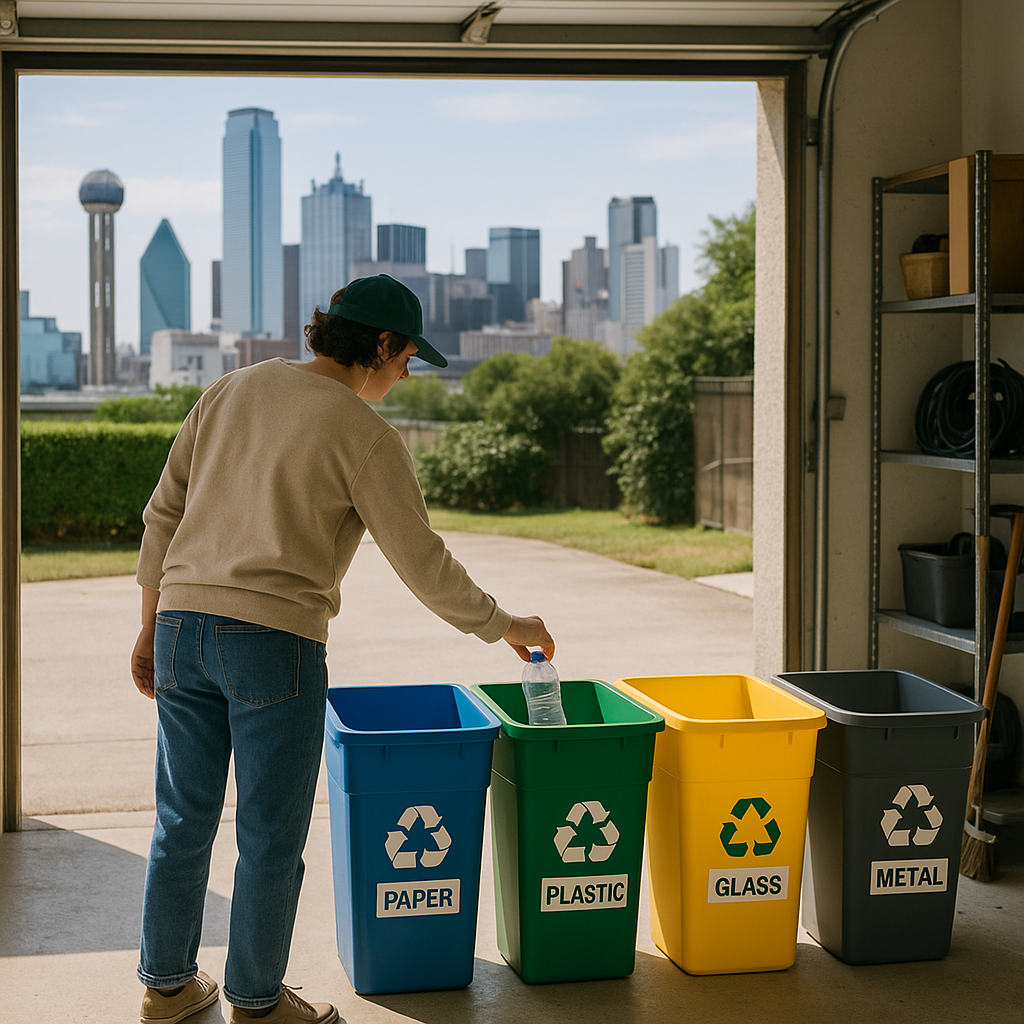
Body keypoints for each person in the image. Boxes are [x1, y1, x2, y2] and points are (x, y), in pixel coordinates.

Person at [130, 274, 554, 1024]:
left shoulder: (232, 389)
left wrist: (149, 618)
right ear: (382, 345)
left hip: (179, 628)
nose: (404, 374)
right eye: (406, 359)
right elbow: (423, 564)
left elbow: (165, 510)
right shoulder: (363, 434)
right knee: (269, 834)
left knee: (181, 818)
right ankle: (256, 1004)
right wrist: (505, 624)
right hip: (273, 640)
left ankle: (165, 987)